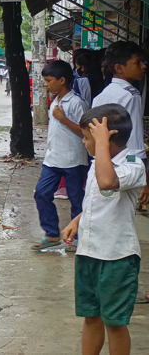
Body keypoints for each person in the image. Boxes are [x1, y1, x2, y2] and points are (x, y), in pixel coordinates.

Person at [61, 104, 144, 355]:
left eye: (87, 137)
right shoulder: (97, 162)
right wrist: (78, 220)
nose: (84, 142)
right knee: (91, 316)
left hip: (116, 258)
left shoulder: (132, 164)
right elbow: (97, 200)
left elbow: (108, 182)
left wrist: (100, 144)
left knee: (114, 322)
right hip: (89, 253)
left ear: (107, 138)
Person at [32, 60, 89, 251]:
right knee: (41, 193)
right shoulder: (55, 102)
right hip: (53, 159)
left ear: (62, 80)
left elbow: (85, 132)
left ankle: (77, 237)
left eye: (48, 80)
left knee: (77, 200)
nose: (45, 84)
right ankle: (52, 233)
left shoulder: (77, 103)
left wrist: (63, 120)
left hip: (74, 160)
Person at [92, 41, 148, 210]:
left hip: (102, 158)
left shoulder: (102, 95)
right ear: (119, 68)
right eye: (137, 62)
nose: (143, 66)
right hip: (125, 163)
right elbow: (135, 139)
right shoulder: (131, 95)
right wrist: (144, 175)